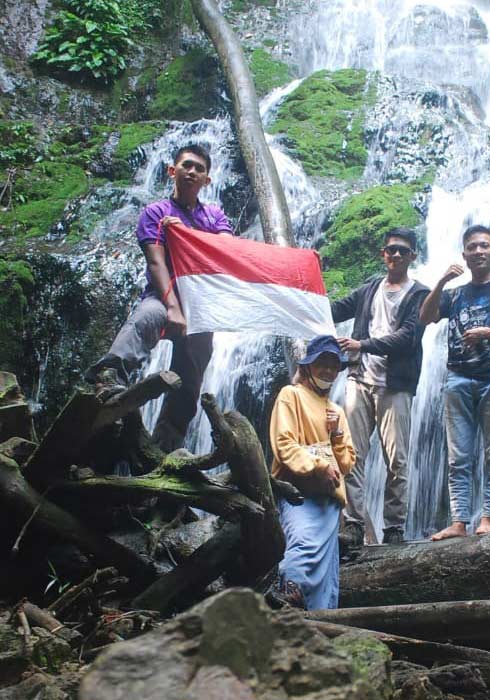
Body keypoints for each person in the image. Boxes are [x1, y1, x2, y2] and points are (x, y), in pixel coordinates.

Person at [85, 144, 233, 451]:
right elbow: (156, 263)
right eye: (187, 165)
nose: (192, 172)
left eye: (200, 169)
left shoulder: (215, 216)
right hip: (163, 295)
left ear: (208, 180)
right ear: (172, 171)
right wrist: (172, 306)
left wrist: (187, 235)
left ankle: (166, 447)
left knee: (190, 383)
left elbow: (228, 251)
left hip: (201, 308)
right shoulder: (156, 213)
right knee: (144, 318)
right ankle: (109, 375)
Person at [332, 227, 430, 546]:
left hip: (395, 384)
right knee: (352, 454)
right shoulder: (369, 289)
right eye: (391, 250)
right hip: (359, 379)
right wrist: (306, 289)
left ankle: (394, 527)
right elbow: (334, 310)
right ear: (383, 254)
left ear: (413, 256)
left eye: (403, 250)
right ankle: (354, 522)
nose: (397, 254)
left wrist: (362, 344)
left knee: (397, 459)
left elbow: (408, 338)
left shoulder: (420, 294)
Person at [419, 225, 490, 540]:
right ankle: (459, 522)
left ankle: (489, 518)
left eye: (484, 246)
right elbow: (426, 317)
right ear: (464, 254)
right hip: (457, 378)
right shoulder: (455, 294)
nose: (478, 252)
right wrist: (442, 280)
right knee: (459, 456)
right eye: (472, 247)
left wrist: (488, 334)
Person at [269, 335, 355, 610]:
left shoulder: (336, 412)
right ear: (307, 366)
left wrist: (337, 434)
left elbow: (347, 464)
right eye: (322, 363)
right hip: (300, 493)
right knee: (302, 548)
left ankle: (316, 630)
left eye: (334, 365)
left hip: (330, 502)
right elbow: (284, 444)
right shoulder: (290, 395)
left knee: (326, 579)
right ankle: (284, 604)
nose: (328, 371)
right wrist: (317, 466)